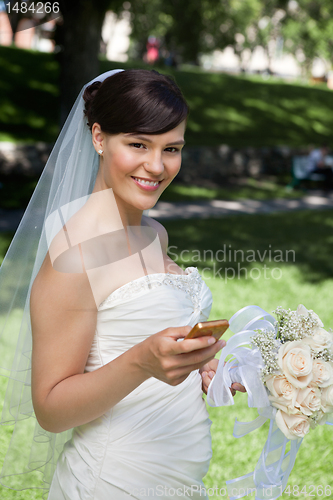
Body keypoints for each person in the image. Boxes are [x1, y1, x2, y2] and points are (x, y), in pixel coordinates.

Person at [0, 68, 244, 500]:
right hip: (112, 483)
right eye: (138, 145)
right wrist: (142, 362)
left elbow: (146, 341)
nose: (157, 165)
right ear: (98, 138)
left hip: (176, 477)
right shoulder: (73, 258)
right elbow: (51, 410)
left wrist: (203, 366)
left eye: (172, 148)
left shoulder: (154, 233)